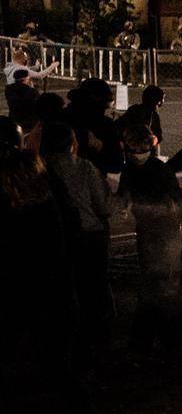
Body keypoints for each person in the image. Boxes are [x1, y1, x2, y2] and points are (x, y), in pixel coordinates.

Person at [0, 117, 106, 414]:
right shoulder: (45, 179)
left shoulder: (23, 181)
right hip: (50, 282)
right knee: (58, 364)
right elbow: (72, 227)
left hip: (18, 284)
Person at [40, 121, 114, 364]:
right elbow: (103, 205)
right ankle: (97, 349)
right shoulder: (85, 167)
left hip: (57, 239)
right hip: (90, 236)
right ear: (72, 144)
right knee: (95, 291)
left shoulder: (42, 168)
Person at [118, 124, 182, 360]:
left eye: (142, 149)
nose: (138, 155)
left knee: (161, 284)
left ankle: (155, 339)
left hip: (164, 231)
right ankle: (167, 339)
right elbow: (124, 195)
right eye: (134, 150)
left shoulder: (159, 169)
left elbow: (177, 199)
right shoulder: (130, 170)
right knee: (156, 283)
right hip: (146, 231)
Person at [64, 78, 123, 175]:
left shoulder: (62, 117)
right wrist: (100, 146)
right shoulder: (105, 125)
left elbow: (116, 165)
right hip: (92, 181)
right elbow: (116, 164)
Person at [119, 84, 166, 153]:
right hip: (142, 148)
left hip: (128, 146)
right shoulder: (152, 115)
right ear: (158, 102)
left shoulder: (133, 109)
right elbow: (158, 135)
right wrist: (155, 139)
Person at [4, 68, 39, 133]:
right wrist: (32, 89)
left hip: (14, 119)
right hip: (29, 122)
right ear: (25, 79)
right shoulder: (32, 91)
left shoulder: (9, 89)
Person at [113, 20, 142, 85]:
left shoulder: (135, 35)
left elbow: (137, 43)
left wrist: (131, 47)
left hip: (132, 54)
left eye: (131, 26)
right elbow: (116, 40)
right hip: (124, 54)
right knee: (124, 69)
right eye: (128, 26)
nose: (130, 28)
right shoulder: (122, 34)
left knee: (132, 68)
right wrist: (119, 46)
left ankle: (134, 82)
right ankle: (124, 81)